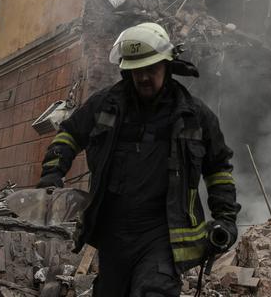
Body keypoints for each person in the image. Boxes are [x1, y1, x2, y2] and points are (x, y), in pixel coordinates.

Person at [37, 22, 240, 297]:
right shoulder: (105, 105)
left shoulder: (194, 115)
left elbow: (218, 169)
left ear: (167, 66)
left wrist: (225, 218)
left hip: (163, 234)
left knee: (154, 290)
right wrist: (53, 172)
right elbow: (69, 135)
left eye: (150, 69)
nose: (143, 77)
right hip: (113, 233)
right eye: (136, 71)